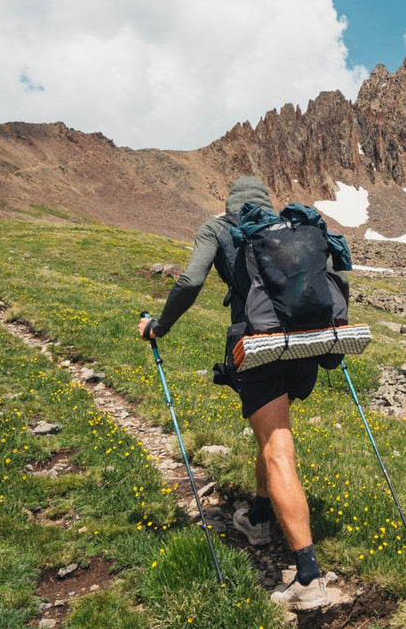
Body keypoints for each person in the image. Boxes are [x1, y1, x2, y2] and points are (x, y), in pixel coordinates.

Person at [139, 175, 343, 610]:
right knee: (271, 435)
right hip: (302, 346)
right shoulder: (289, 228)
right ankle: (260, 514)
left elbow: (191, 281)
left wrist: (159, 326)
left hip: (259, 346)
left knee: (276, 450)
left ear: (229, 201)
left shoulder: (220, 226)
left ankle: (308, 575)